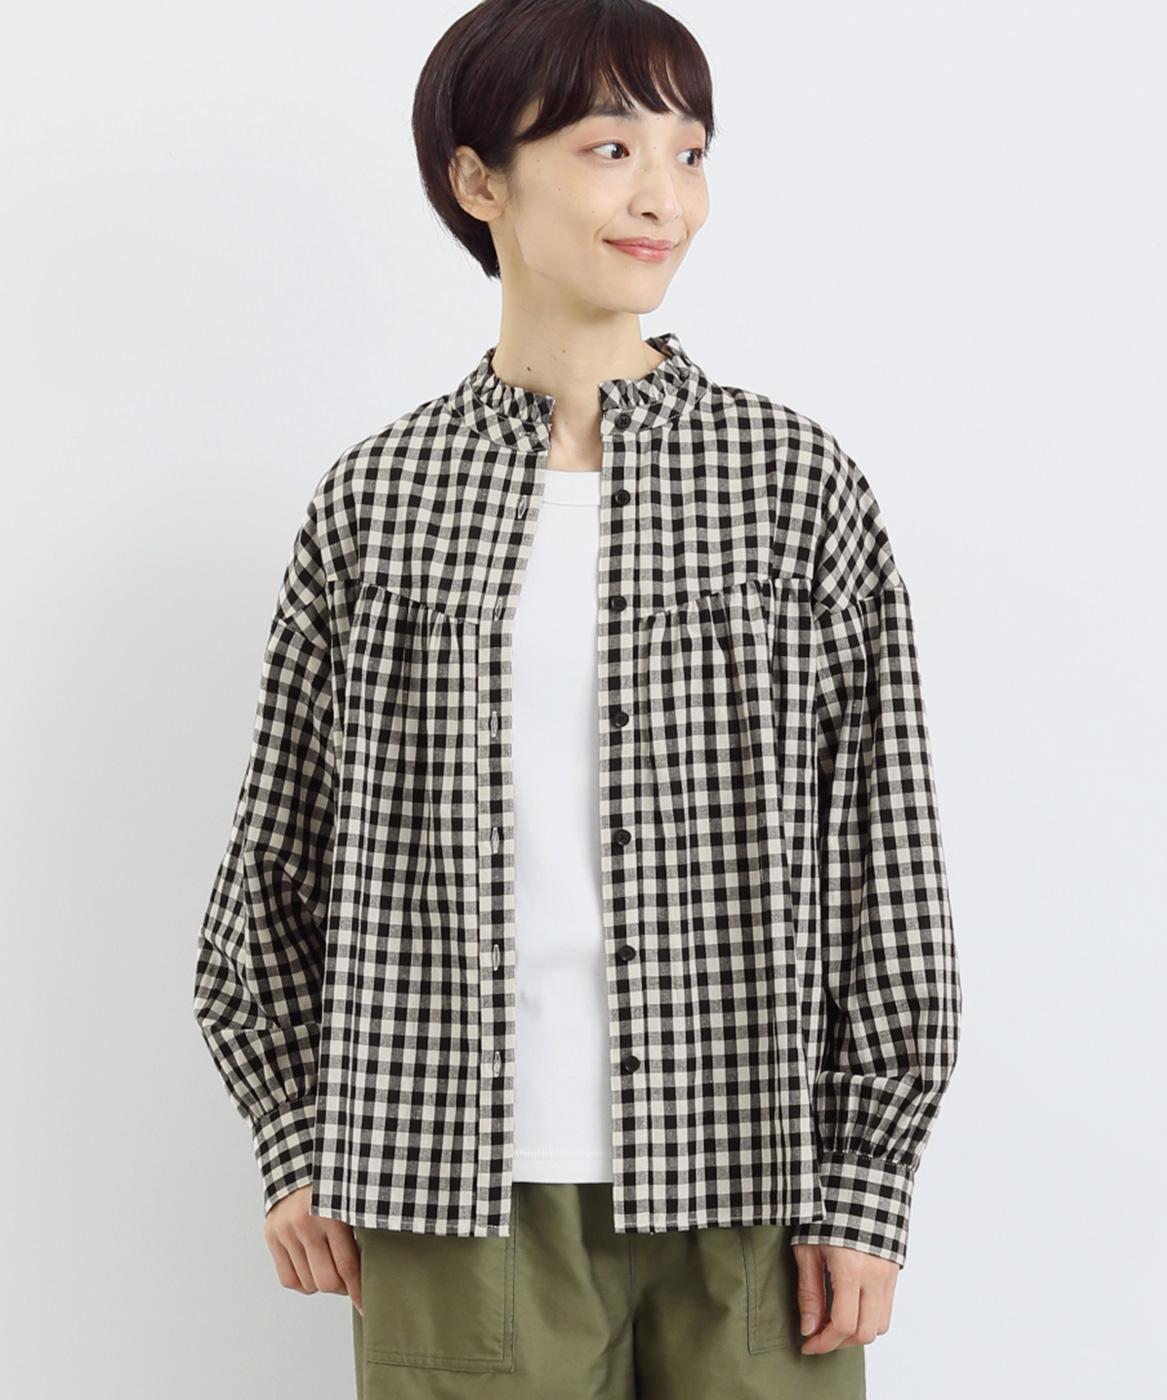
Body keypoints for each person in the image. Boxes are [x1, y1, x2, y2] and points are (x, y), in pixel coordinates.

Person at [192, 2, 962, 1397]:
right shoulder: (380, 501)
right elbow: (277, 864)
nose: (665, 195)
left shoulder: (792, 486)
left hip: (753, 1178)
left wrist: (868, 1177)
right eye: (612, 148)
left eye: (690, 151)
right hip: (446, 1181)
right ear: (477, 178)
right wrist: (295, 1136)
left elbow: (884, 855)